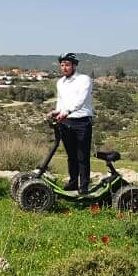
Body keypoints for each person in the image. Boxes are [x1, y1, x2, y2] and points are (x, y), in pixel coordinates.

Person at [48, 52, 94, 192]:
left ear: (74, 66)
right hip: (66, 122)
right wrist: (56, 111)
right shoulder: (60, 82)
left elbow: (81, 100)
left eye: (67, 65)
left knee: (82, 155)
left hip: (82, 122)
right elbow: (60, 101)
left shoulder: (84, 79)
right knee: (71, 155)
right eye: (62, 65)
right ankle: (73, 183)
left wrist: (67, 111)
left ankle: (84, 186)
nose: (64, 67)